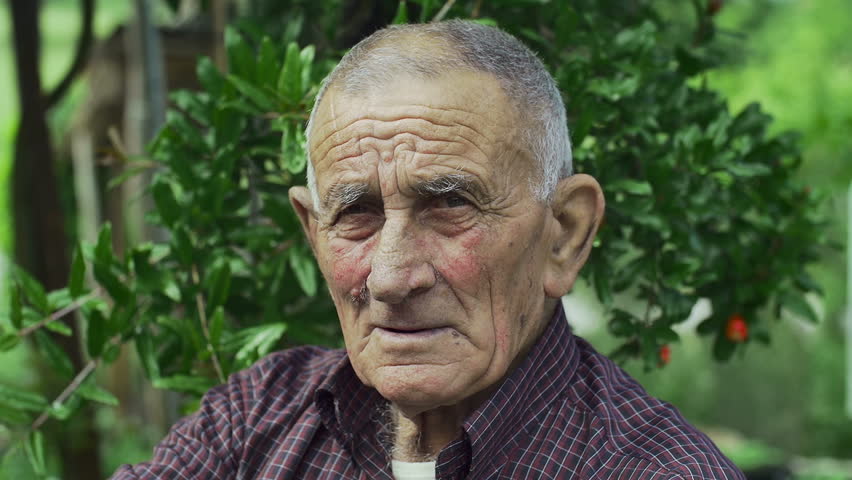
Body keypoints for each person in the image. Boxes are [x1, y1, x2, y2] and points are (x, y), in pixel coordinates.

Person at [112, 20, 744, 479]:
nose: (390, 277)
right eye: (356, 214)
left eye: (450, 207)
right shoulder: (255, 420)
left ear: (565, 234)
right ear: (313, 232)